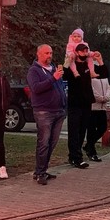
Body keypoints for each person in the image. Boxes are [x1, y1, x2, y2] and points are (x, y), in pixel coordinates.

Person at [27, 44, 67, 185]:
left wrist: (63, 102)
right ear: (39, 54)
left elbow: (60, 86)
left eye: (50, 53)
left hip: (59, 111)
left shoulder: (55, 68)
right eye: (46, 53)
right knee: (43, 142)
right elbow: (36, 88)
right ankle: (40, 172)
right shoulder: (34, 71)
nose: (49, 55)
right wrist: (53, 78)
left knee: (52, 142)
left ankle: (42, 170)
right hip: (44, 111)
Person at [63, 44, 107, 168]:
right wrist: (67, 61)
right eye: (82, 51)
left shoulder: (88, 64)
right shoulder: (72, 66)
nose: (85, 53)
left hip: (86, 102)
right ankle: (75, 157)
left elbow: (103, 74)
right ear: (77, 52)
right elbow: (64, 75)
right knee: (74, 131)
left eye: (86, 50)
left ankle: (76, 156)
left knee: (82, 131)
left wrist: (100, 60)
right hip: (75, 103)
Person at [86, 71, 110, 162]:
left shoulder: (104, 76)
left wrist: (106, 97)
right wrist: (100, 98)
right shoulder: (90, 76)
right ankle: (91, 152)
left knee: (103, 127)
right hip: (93, 107)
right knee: (91, 130)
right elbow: (90, 89)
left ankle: (88, 145)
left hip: (102, 108)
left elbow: (108, 88)